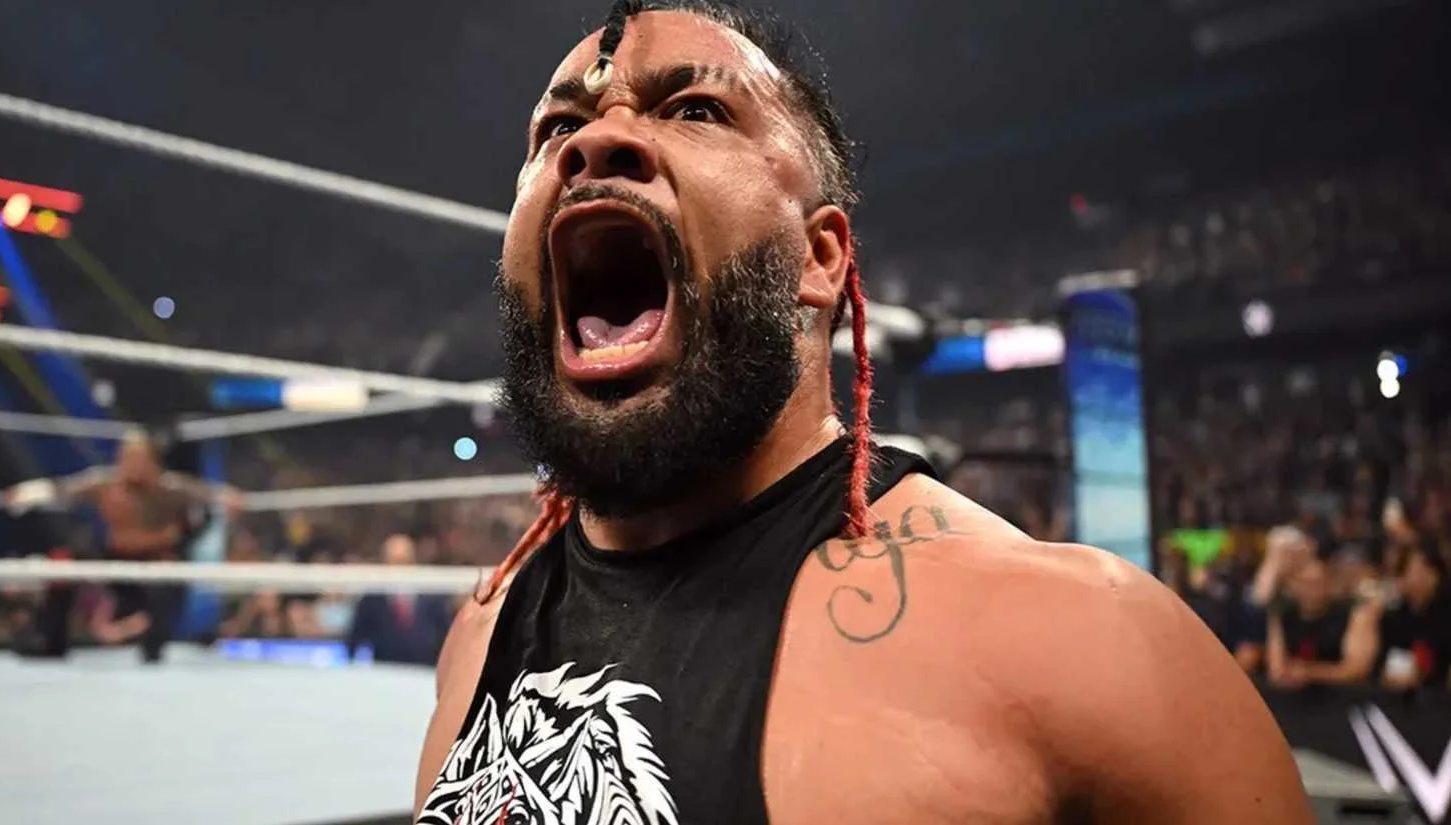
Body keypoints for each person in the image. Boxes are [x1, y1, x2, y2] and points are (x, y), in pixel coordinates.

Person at [414, 2, 1314, 823]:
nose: (596, 142)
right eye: (558, 127)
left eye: (694, 109)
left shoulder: (1076, 648)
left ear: (820, 259)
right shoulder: (478, 638)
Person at [4, 430, 242, 662]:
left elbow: (207, 492)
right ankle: (51, 641)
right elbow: (65, 489)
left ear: (153, 462)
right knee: (64, 563)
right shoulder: (105, 484)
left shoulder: (170, 488)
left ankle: (152, 647)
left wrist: (227, 498)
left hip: (154, 560)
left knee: (169, 574)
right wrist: (28, 493)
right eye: (127, 457)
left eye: (139, 458)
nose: (132, 464)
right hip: (113, 556)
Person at [1266, 556, 1382, 691]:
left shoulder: (1355, 616)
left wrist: (1308, 673)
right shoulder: (1282, 616)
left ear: (1330, 584)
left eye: (1317, 583)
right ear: (1293, 585)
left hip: (1343, 694)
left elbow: (1356, 670)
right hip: (1294, 693)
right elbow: (1276, 669)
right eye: (1305, 583)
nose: (1311, 590)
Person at [344, 534, 451, 664]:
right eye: (393, 562)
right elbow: (354, 641)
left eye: (404, 561)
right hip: (385, 670)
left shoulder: (433, 596)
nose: (399, 568)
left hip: (425, 670)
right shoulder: (371, 600)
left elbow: (446, 638)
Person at [1377, 543, 1450, 692]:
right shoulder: (1392, 616)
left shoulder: (1446, 614)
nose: (1420, 578)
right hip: (1397, 690)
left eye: (1427, 571)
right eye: (1413, 571)